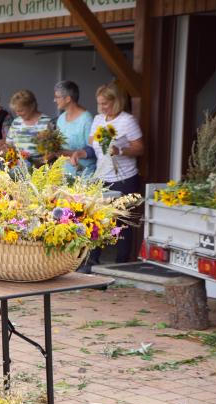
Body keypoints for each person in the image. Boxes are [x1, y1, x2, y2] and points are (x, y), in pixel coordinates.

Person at [87, 81, 145, 266]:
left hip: (124, 178)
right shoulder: (98, 119)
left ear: (117, 101)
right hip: (101, 176)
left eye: (106, 103)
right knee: (97, 220)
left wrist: (120, 150)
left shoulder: (127, 120)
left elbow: (140, 148)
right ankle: (92, 260)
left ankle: (120, 264)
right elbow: (91, 144)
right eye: (100, 103)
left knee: (122, 222)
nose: (102, 107)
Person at [52, 81, 95, 176]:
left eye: (57, 97)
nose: (55, 100)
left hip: (84, 175)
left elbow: (93, 149)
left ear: (68, 99)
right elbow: (58, 144)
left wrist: (64, 153)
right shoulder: (61, 118)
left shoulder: (86, 119)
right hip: (64, 173)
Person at [5, 89, 53, 167]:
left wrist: (38, 164)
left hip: (40, 170)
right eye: (16, 111)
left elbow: (53, 151)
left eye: (20, 111)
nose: (17, 114)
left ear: (32, 106)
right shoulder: (16, 122)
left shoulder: (46, 122)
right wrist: (14, 160)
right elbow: (9, 145)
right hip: (19, 169)